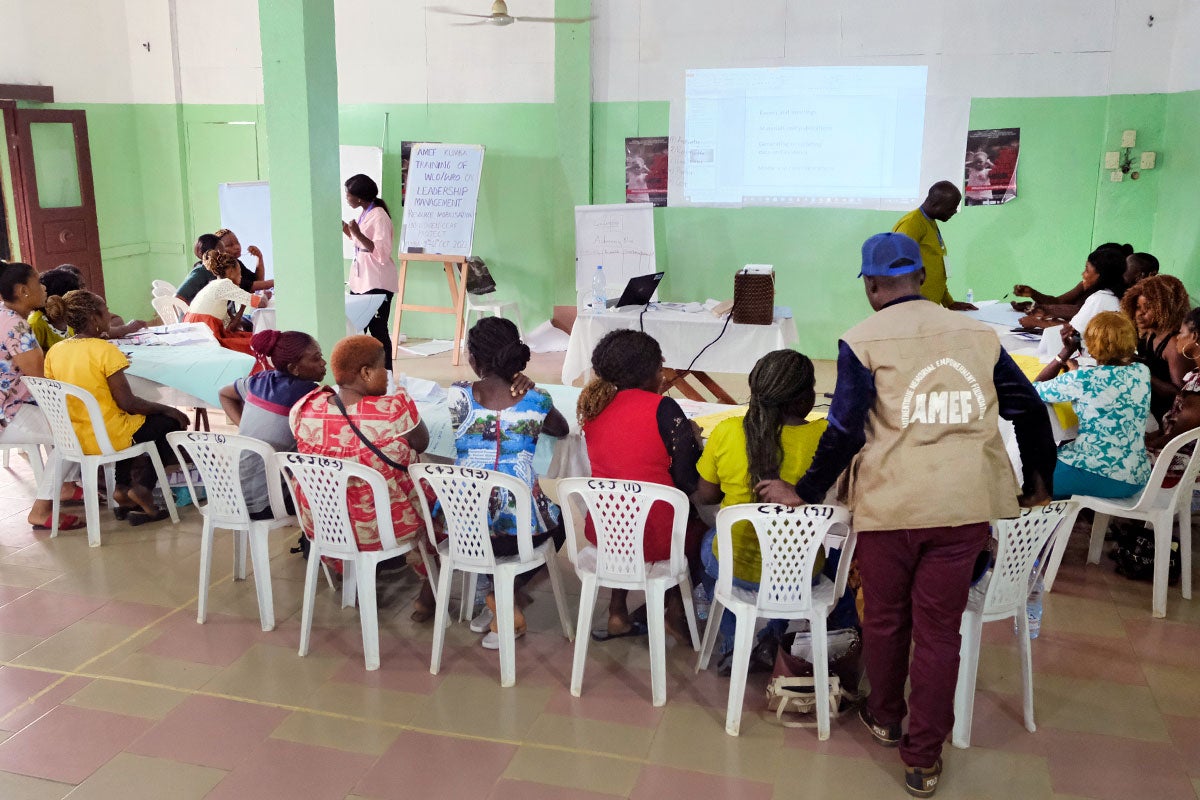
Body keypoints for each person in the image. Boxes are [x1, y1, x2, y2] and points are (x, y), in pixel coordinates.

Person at [757, 232, 1055, 798]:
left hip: (892, 505)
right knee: (940, 633)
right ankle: (923, 760)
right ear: (921, 277)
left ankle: (887, 717)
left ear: (871, 285)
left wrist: (807, 489)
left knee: (888, 618)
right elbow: (1028, 409)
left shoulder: (862, 340)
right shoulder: (978, 335)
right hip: (963, 506)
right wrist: (1040, 480)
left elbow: (844, 430)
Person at [691, 349, 828, 676]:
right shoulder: (824, 439)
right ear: (806, 397)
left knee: (708, 547)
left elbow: (707, 496)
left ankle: (733, 644)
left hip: (736, 567)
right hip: (801, 571)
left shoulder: (726, 431)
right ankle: (772, 638)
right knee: (797, 555)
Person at [289, 335, 434, 620]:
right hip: (382, 528)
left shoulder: (306, 408)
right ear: (366, 373)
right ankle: (428, 594)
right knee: (434, 501)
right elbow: (422, 443)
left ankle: (352, 579)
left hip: (325, 524)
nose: (387, 375)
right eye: (384, 369)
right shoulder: (393, 409)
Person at [448, 316, 569, 648]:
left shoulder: (457, 397)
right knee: (560, 521)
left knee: (485, 507)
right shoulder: (536, 401)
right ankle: (506, 596)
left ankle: (496, 596)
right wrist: (528, 387)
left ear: (473, 359)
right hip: (518, 536)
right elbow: (561, 429)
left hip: (462, 529)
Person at [577, 329, 702, 641]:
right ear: (647, 372)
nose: (662, 375)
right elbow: (686, 483)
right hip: (654, 538)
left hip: (605, 533)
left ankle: (617, 610)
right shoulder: (663, 408)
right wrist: (693, 440)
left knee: (626, 510)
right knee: (699, 531)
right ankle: (674, 608)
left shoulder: (593, 407)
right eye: (660, 368)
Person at [44, 290, 189, 524]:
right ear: (94, 318)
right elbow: (127, 402)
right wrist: (167, 409)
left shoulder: (55, 352)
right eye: (106, 311)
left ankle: (122, 488)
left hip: (75, 437)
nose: (110, 315)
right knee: (168, 422)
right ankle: (143, 488)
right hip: (107, 436)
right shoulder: (105, 350)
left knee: (129, 421)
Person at [0, 262, 85, 531]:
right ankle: (41, 509)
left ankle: (65, 487)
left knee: (69, 418)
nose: (44, 286)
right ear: (24, 291)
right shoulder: (16, 327)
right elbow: (41, 378)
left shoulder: (5, 315)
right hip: (9, 413)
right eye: (38, 282)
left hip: (9, 407)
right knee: (76, 429)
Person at [1034, 312, 1151, 499]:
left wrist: (1064, 354)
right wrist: (1076, 373)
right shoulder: (1141, 372)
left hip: (1100, 475)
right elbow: (1108, 384)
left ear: (1092, 345)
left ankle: (1050, 520)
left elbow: (1033, 390)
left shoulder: (1084, 380)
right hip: (1136, 475)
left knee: (1027, 476)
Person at [218, 330, 326, 519]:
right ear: (294, 368)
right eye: (316, 359)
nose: (323, 363)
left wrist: (246, 429)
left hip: (233, 494)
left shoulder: (258, 381)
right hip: (266, 503)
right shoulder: (309, 395)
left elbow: (224, 393)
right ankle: (316, 544)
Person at [343, 174, 398, 372]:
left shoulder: (379, 215)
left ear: (359, 197)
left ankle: (387, 376)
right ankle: (362, 375)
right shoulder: (366, 212)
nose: (346, 198)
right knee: (356, 328)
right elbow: (361, 242)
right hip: (362, 280)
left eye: (348, 195)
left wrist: (357, 233)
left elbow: (382, 252)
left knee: (378, 330)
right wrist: (347, 230)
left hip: (377, 281)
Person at [892, 181, 976, 310]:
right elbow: (898, 266)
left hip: (929, 307)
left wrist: (949, 302)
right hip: (912, 309)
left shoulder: (929, 222)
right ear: (934, 204)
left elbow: (936, 270)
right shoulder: (912, 224)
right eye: (951, 207)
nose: (954, 211)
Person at [1120, 274, 1191, 423]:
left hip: (1162, 418)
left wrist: (1141, 371)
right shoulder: (1150, 333)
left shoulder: (1173, 344)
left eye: (1147, 309)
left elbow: (1179, 395)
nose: (1140, 314)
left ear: (1165, 309)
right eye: (1138, 307)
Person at [1014, 242, 1133, 326]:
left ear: (1101, 272)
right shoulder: (1092, 286)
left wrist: (1041, 318)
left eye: (1087, 269)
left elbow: (1078, 317)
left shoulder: (1102, 297)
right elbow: (1059, 302)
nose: (1083, 274)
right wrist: (1033, 295)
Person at [32, 265, 146, 347]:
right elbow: (35, 359)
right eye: (79, 290)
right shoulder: (37, 323)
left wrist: (127, 328)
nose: (85, 293)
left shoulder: (71, 315)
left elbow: (99, 330)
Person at [182, 250, 265, 356]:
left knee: (249, 337)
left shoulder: (214, 285)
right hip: (205, 332)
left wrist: (242, 308)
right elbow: (260, 303)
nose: (241, 276)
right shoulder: (225, 285)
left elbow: (231, 327)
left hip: (198, 328)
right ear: (230, 271)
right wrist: (265, 296)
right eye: (239, 272)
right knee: (255, 344)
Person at [1055, 244, 1131, 353]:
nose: (1083, 274)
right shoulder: (1123, 296)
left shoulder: (1099, 298)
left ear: (1100, 275)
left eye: (1087, 270)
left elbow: (1074, 335)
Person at [176, 233, 225, 305]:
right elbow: (178, 297)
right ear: (208, 253)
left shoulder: (215, 271)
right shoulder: (201, 272)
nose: (224, 256)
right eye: (220, 253)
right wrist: (195, 313)